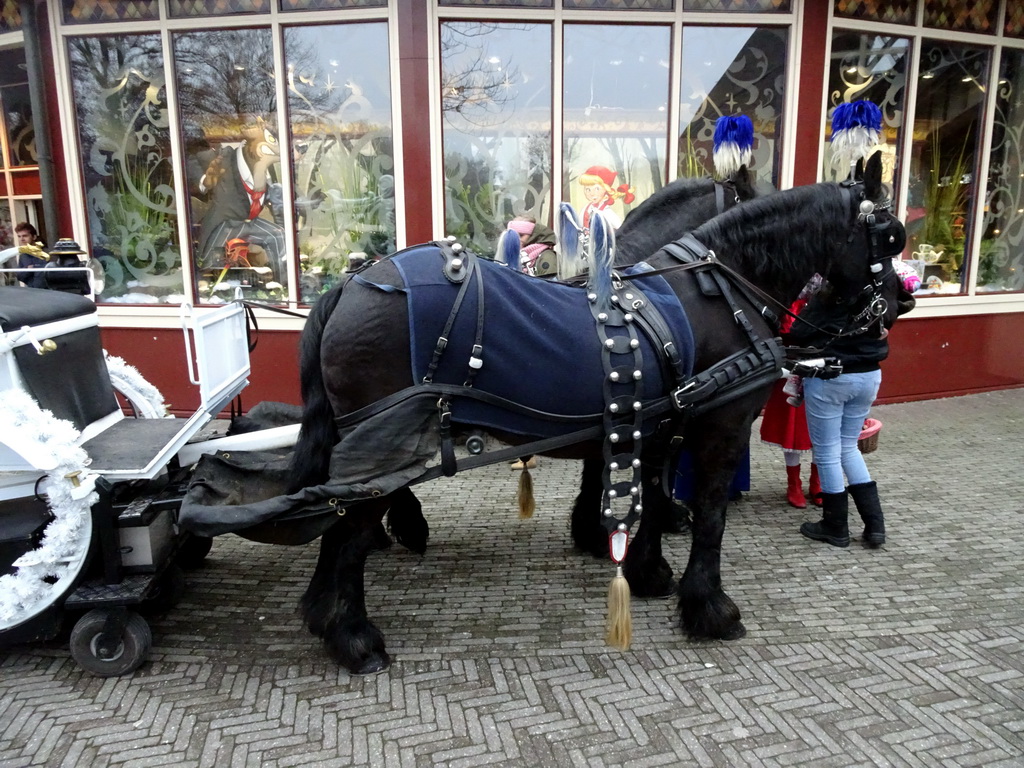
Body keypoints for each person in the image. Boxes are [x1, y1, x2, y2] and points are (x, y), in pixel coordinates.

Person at [788, 264, 915, 548]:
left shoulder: (829, 295)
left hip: (831, 377)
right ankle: (875, 525)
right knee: (848, 446)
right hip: (869, 375)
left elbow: (798, 332)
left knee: (827, 452)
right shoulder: (880, 295)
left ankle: (835, 526)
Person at [760, 286, 822, 509]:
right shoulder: (788, 302)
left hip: (822, 370)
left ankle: (818, 481)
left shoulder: (829, 301)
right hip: (792, 371)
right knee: (792, 428)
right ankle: (793, 483)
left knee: (822, 428)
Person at [578, 166, 634, 232]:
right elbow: (579, 225)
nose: (592, 193)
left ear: (606, 190)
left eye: (597, 189)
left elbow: (620, 230)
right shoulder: (586, 209)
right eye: (588, 189)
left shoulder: (607, 212)